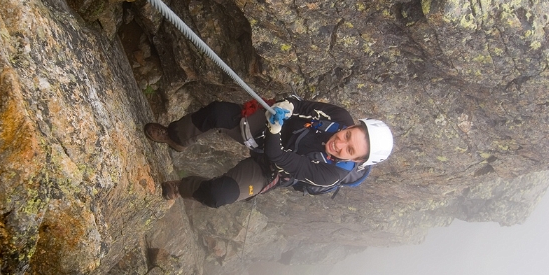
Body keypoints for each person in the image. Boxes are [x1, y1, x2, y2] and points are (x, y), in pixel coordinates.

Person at [144, 96, 393, 208]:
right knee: (218, 112)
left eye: (349, 150)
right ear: (351, 125)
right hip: (273, 128)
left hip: (271, 168)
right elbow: (303, 105)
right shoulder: (338, 117)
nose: (340, 144)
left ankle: (180, 188)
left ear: (357, 161)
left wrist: (275, 129)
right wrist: (286, 105)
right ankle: (176, 137)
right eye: (348, 135)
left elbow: (279, 158)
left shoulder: (330, 175)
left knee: (218, 195)